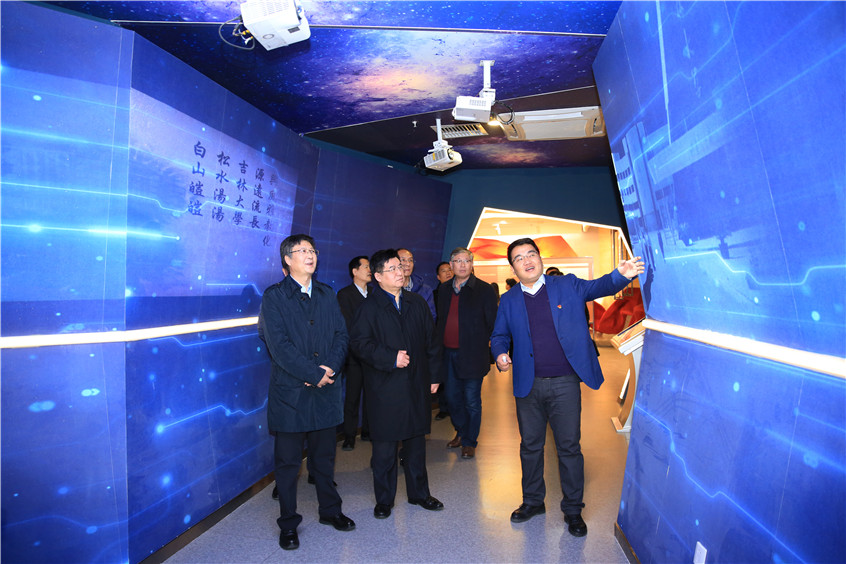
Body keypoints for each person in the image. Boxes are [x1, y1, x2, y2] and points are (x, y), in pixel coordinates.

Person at [490, 237, 644, 537]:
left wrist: (621, 275)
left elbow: (599, 286)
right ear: (513, 268)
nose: (527, 261)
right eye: (519, 258)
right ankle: (533, 501)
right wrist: (499, 353)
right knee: (530, 446)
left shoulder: (567, 285)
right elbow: (499, 335)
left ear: (540, 258)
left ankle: (573, 509)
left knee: (569, 448)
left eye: (531, 254)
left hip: (564, 384)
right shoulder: (509, 300)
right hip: (528, 385)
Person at [258, 234, 356, 550]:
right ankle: (288, 523)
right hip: (291, 394)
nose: (310, 254)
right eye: (302, 250)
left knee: (324, 459)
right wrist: (313, 374)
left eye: (312, 249)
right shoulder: (274, 297)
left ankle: (330, 511)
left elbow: (341, 336)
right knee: (288, 465)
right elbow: (279, 346)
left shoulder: (327, 293)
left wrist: (329, 369)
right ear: (287, 259)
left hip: (325, 392)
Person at [350, 249, 444, 519]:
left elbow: (431, 342)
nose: (399, 272)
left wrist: (434, 376)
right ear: (378, 276)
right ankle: (384, 500)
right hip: (385, 386)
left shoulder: (417, 302)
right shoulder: (369, 307)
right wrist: (390, 357)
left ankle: (419, 494)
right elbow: (359, 344)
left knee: (416, 444)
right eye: (392, 268)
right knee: (385, 449)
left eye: (400, 267)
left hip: (416, 383)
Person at [434, 247, 497, 459]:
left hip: (472, 355)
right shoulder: (443, 290)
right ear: (451, 265)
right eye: (458, 261)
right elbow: (441, 321)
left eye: (466, 261)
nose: (462, 265)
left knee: (471, 400)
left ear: (472, 264)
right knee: (452, 398)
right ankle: (461, 432)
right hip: (448, 354)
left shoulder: (484, 290)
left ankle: (470, 441)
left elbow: (492, 323)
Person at [337, 255, 372, 451]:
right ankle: (349, 435)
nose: (369, 270)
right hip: (355, 355)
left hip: (374, 355)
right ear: (355, 271)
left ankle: (368, 430)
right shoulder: (345, 295)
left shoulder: (375, 293)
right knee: (352, 397)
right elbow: (348, 326)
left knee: (372, 394)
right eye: (366, 266)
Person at [432, 260, 454, 421]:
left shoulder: (460, 292)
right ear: (438, 277)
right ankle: (443, 407)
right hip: (439, 341)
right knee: (441, 374)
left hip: (456, 340)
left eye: (449, 270)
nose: (448, 273)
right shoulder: (434, 295)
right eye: (444, 271)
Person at [397, 247, 436, 319]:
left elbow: (430, 318)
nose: (408, 264)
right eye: (403, 260)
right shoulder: (388, 288)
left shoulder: (425, 290)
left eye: (410, 260)